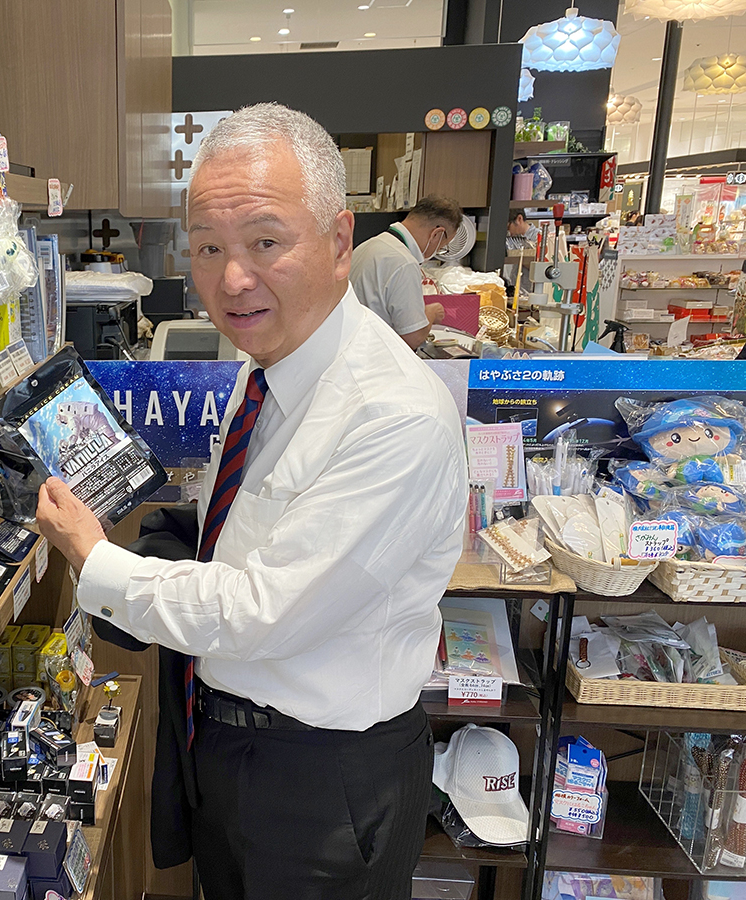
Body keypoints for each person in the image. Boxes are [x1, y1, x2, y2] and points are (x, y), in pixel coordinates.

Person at [35, 103, 468, 900]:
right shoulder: (266, 365)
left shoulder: (393, 415)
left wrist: (96, 560)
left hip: (324, 781)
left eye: (266, 242)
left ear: (338, 242)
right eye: (208, 248)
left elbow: (264, 608)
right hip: (231, 747)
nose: (231, 281)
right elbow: (242, 527)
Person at [349, 195, 462, 349]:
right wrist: (431, 313)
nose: (437, 251)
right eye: (442, 247)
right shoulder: (404, 263)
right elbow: (412, 337)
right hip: (375, 356)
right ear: (436, 234)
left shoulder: (368, 245)